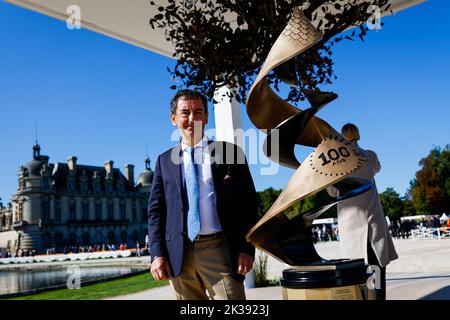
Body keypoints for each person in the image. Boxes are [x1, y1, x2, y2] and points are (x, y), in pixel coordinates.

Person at [148, 89, 258, 300]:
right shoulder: (164, 161)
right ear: (173, 118)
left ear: (206, 117)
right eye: (185, 113)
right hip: (179, 254)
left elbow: (249, 205)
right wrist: (157, 254)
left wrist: (246, 248)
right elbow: (156, 212)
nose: (192, 119)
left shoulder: (230, 154)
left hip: (220, 249)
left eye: (198, 112)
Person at [327, 123, 398, 300]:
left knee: (358, 278)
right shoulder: (370, 156)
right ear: (358, 135)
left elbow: (332, 192)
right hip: (374, 223)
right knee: (377, 273)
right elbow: (377, 168)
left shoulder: (338, 164)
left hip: (352, 227)